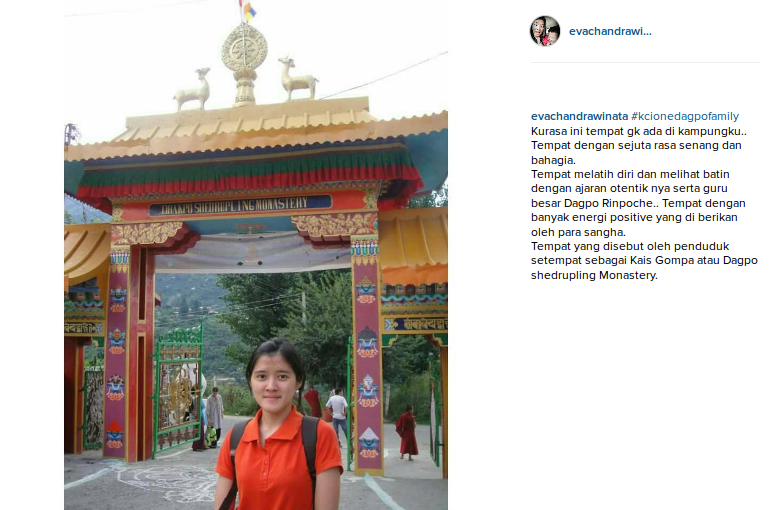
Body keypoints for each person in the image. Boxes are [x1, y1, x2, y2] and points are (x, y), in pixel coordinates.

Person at [213, 338, 342, 510]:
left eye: (282, 376)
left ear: (298, 381)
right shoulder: (236, 437)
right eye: (261, 376)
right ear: (250, 380)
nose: (271, 386)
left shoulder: (320, 435)